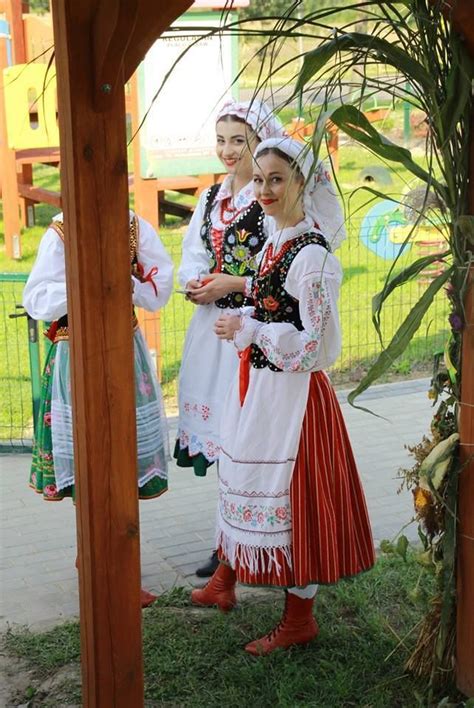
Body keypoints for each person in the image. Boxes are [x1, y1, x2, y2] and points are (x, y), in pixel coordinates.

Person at [191, 136, 376, 654]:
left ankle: (298, 620)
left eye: (278, 179)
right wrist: (244, 320)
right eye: (261, 178)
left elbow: (317, 344)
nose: (266, 188)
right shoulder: (278, 238)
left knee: (299, 505)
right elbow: (279, 311)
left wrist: (252, 333)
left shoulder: (313, 255)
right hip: (267, 388)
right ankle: (230, 583)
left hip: (296, 401)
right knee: (249, 477)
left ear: (302, 183)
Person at [23, 211, 174, 607]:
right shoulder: (61, 230)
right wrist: (89, 284)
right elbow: (37, 297)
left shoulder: (132, 226)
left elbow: (159, 286)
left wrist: (124, 283)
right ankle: (94, 562)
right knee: (90, 461)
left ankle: (117, 567)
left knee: (122, 459)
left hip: (124, 349)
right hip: (77, 354)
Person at [175, 99, 285, 577]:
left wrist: (234, 285)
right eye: (221, 140)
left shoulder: (268, 202)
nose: (228, 150)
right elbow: (194, 253)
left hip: (253, 329)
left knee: (247, 438)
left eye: (238, 140)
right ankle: (228, 547)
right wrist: (196, 281)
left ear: (259, 141)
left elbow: (283, 266)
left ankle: (252, 542)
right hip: (211, 333)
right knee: (223, 440)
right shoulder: (209, 199)